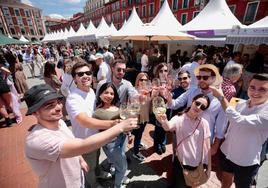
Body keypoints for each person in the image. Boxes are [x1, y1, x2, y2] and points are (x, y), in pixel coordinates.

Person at [24, 84, 138, 188]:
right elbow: (82, 145)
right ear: (35, 113)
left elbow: (71, 141)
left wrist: (80, 159)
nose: (58, 107)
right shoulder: (38, 140)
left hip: (78, 182)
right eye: (49, 105)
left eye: (58, 101)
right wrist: (120, 127)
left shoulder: (60, 123)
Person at [209, 73, 268, 188]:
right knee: (225, 181)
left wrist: (221, 97)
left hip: (245, 160)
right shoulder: (240, 103)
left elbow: (238, 120)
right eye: (252, 87)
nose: (255, 92)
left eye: (262, 89)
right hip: (226, 152)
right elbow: (227, 123)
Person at [167, 64, 228, 170]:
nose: (201, 80)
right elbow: (174, 104)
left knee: (196, 166)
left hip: (202, 139)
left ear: (213, 78)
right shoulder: (192, 90)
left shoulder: (220, 99)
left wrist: (215, 146)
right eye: (199, 77)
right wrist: (167, 95)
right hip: (183, 133)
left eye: (205, 77)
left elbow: (221, 127)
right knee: (178, 160)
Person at [66, 61, 116, 188]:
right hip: (85, 141)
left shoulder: (91, 92)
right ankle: (93, 184)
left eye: (87, 72)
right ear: (74, 78)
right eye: (80, 74)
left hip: (96, 137)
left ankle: (98, 173)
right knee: (88, 166)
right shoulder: (73, 98)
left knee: (96, 160)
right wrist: (113, 124)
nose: (85, 76)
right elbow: (85, 121)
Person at [156, 94, 211, 188]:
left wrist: (209, 169)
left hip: (197, 165)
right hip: (181, 164)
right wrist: (163, 121)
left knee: (190, 185)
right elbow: (168, 127)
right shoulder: (179, 118)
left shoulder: (204, 123)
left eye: (202, 107)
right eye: (197, 103)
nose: (198, 107)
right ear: (192, 101)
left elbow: (207, 147)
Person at [94, 83, 129, 188]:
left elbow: (124, 121)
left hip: (122, 138)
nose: (109, 95)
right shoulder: (97, 112)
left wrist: (128, 132)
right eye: (106, 92)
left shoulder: (117, 106)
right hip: (111, 144)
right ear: (100, 94)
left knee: (119, 163)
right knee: (123, 166)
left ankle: (117, 174)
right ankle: (117, 185)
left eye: (112, 93)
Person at [132, 72, 151, 161]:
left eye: (145, 80)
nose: (143, 81)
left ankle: (138, 144)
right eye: (141, 79)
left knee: (141, 133)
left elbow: (149, 103)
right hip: (138, 118)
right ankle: (136, 152)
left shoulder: (148, 91)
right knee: (138, 135)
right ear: (137, 80)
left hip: (145, 117)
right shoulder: (134, 91)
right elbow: (133, 107)